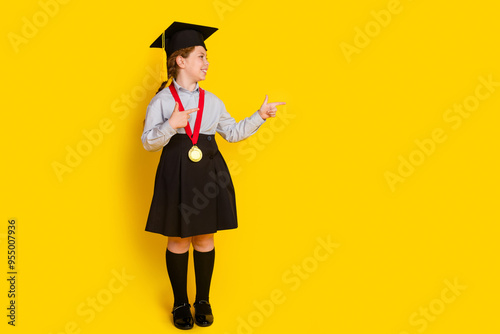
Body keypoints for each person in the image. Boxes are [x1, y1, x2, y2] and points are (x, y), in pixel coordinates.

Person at [142, 21, 285, 330]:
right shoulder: (163, 101)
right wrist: (171, 125)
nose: (207, 63)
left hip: (209, 173)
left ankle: (203, 300)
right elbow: (148, 143)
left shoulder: (214, 101)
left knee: (204, 237)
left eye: (206, 58)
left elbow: (232, 133)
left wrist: (259, 117)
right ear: (181, 61)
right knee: (178, 239)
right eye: (201, 57)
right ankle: (180, 302)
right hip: (175, 172)